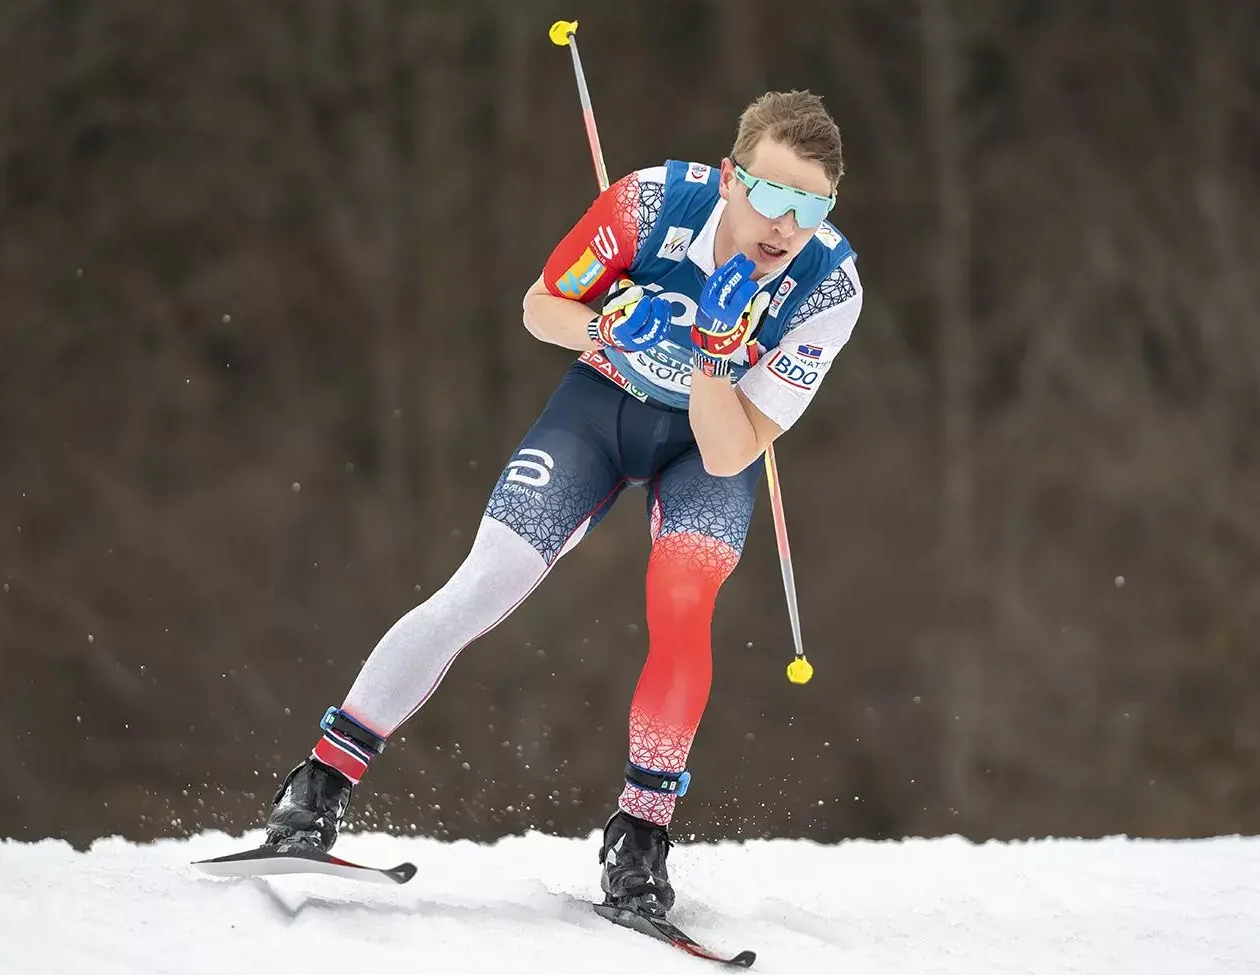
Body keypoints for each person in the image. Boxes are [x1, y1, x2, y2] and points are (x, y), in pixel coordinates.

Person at [262, 90, 862, 916]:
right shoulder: (649, 204)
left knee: (685, 604)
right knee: (486, 581)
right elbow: (540, 308)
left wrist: (719, 357)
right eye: (770, 195)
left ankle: (639, 838)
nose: (784, 226)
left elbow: (729, 450)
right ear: (729, 180)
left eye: (810, 206)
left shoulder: (829, 288)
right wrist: (610, 329)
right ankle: (319, 785)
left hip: (703, 444)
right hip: (602, 411)